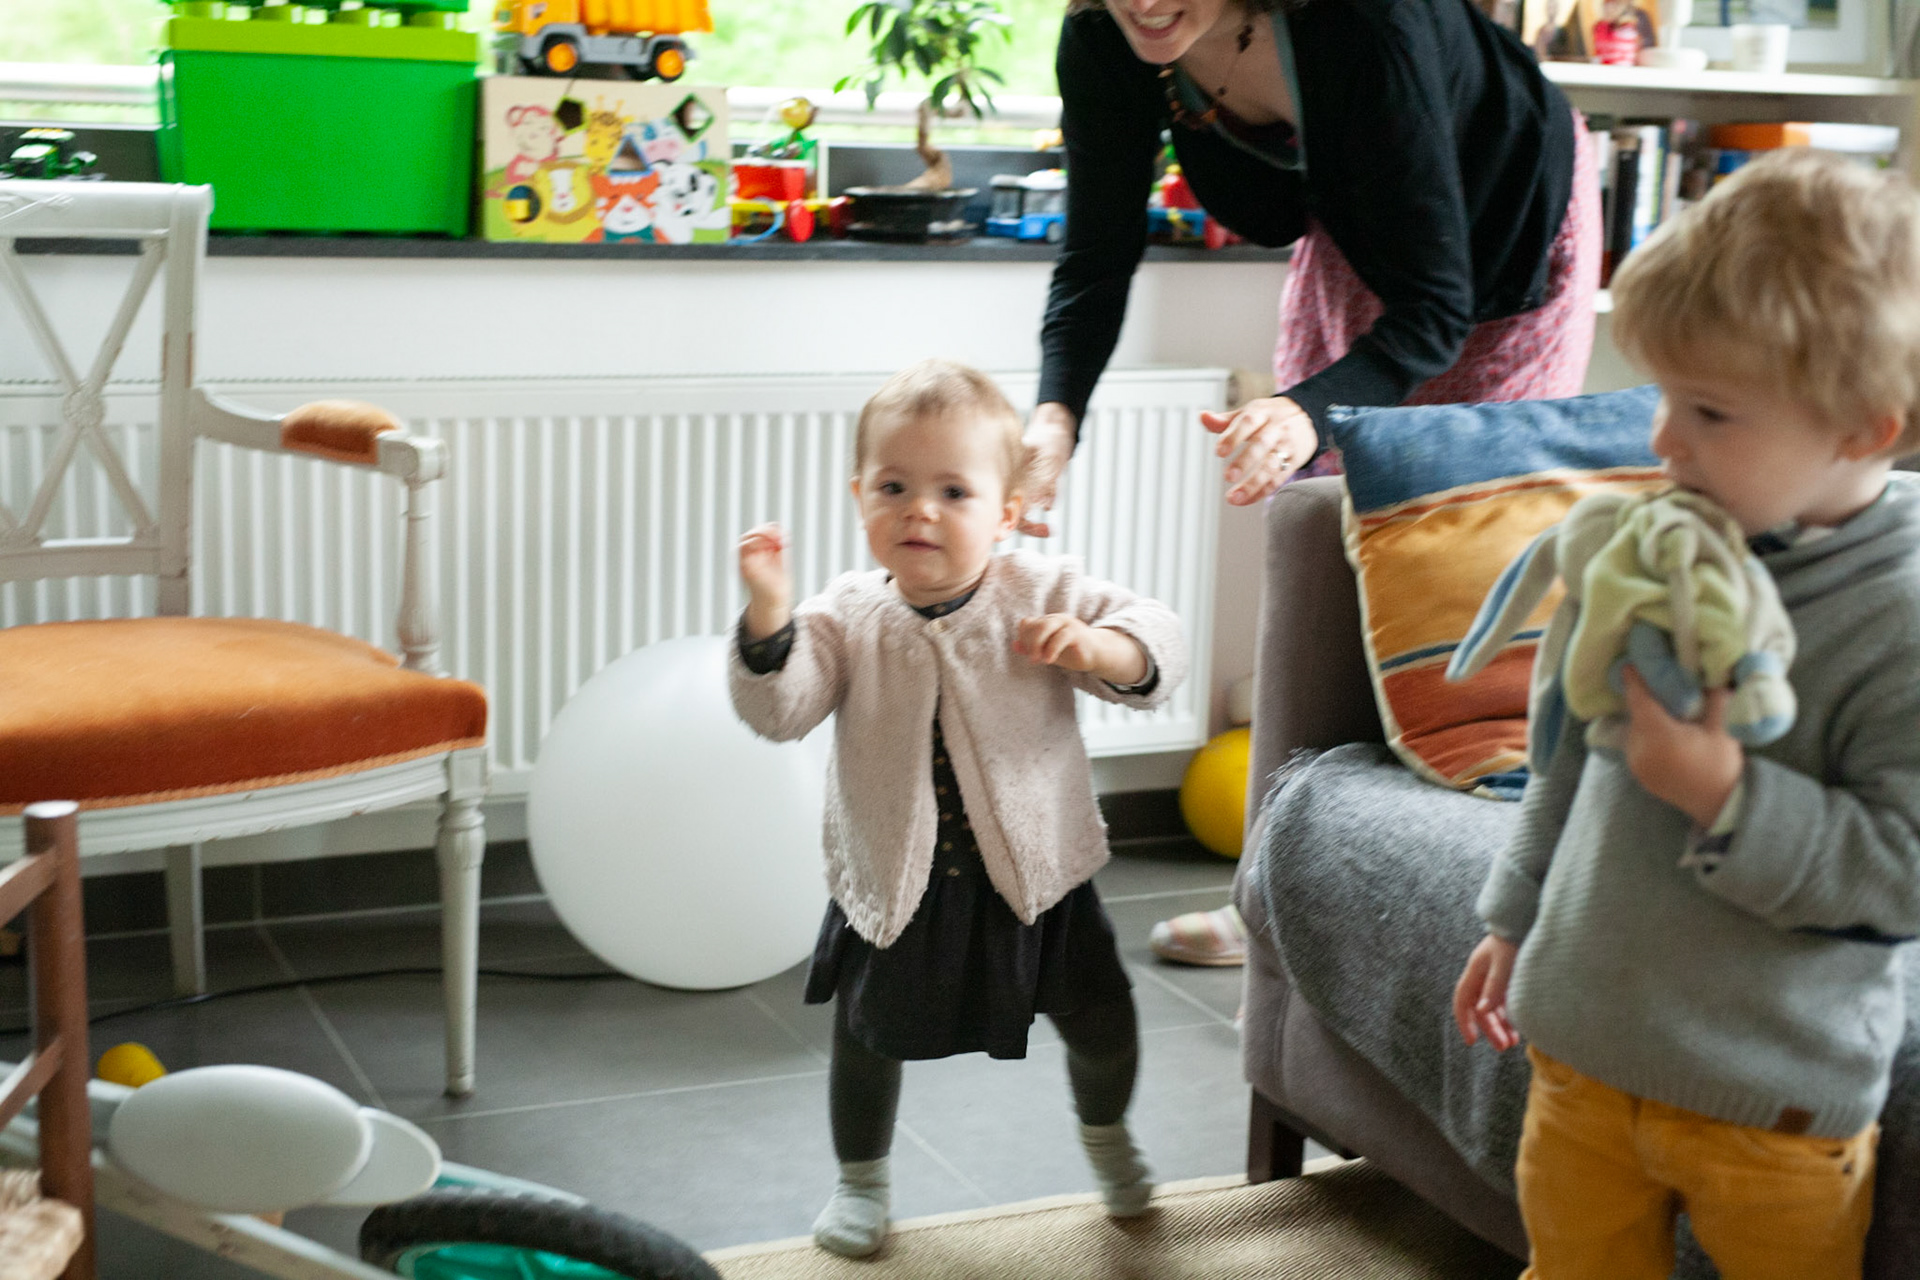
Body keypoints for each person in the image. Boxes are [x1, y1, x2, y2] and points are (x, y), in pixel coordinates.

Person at [1024, 0, 1602, 966]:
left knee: (1467, 574)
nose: (1144, 2)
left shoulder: (1363, 23)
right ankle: (1278, 901)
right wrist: (1055, 416)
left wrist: (1305, 411)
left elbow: (1435, 305)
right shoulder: (1103, 39)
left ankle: (1477, 920)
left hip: (1497, 236)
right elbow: (1096, 253)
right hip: (1357, 232)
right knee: (1323, 547)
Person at [1452, 148, 1920, 1280]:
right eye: (1665, 396)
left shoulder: (1901, 621)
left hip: (1776, 1100)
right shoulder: (1653, 552)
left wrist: (1724, 794)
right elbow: (1566, 755)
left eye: (1710, 411)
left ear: (1864, 429)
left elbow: (1902, 871)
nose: (1662, 440)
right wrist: (1512, 916)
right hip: (1585, 1053)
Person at [728, 359, 1188, 1258]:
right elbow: (779, 709)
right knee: (868, 1039)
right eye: (893, 487)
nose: (920, 511)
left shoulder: (1040, 592)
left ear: (1006, 510)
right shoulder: (845, 615)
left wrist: (1100, 648)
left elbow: (1156, 637)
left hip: (1040, 877)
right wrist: (769, 620)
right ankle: (861, 1180)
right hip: (899, 881)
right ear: (859, 496)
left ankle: (1107, 1134)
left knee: (1102, 1022)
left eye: (952, 491)